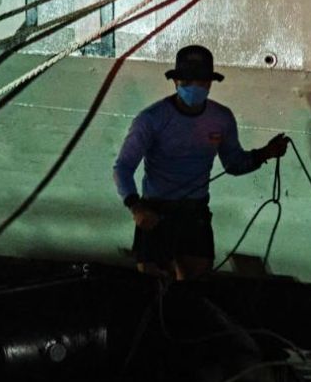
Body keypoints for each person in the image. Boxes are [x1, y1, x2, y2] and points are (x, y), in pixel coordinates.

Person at [113, 45, 287, 280]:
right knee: (153, 289)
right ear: (176, 82)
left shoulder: (221, 118)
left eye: (202, 82)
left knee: (194, 287)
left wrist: (266, 153)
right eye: (188, 82)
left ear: (210, 84)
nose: (195, 87)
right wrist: (136, 207)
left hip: (194, 214)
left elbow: (233, 164)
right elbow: (123, 167)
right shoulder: (151, 119)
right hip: (155, 213)